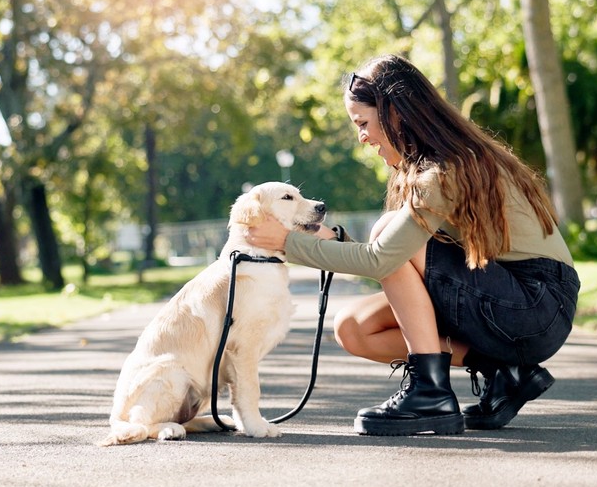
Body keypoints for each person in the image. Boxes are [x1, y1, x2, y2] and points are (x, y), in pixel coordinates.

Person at [245, 54, 580, 437]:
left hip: (535, 302)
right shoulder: (441, 165)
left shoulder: (446, 171)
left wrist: (287, 243)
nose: (362, 137)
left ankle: (430, 393)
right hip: (513, 301)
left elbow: (383, 257)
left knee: (386, 229)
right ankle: (503, 370)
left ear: (395, 113)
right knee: (354, 328)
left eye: (363, 123)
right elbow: (399, 266)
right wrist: (332, 241)